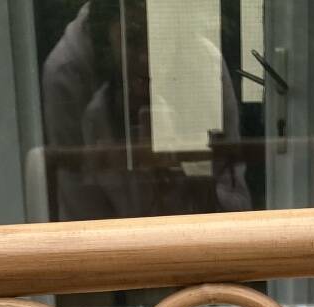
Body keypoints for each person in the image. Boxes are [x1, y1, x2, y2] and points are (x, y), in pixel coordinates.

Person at [41, 0, 251, 219]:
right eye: (133, 39)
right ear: (106, 36)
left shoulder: (206, 65)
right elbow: (81, 220)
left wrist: (195, 177)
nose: (147, 59)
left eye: (161, 37)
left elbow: (235, 204)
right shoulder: (68, 76)